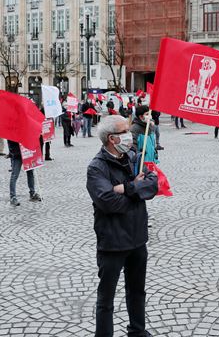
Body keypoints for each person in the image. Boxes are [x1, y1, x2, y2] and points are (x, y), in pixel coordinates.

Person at [86, 115, 159, 336]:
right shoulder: (96, 168)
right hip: (113, 242)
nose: (130, 136)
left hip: (137, 238)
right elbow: (108, 202)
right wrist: (135, 189)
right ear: (111, 139)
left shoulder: (133, 157)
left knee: (137, 291)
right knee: (106, 298)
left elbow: (153, 183)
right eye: (124, 132)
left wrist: (124, 188)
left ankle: (137, 332)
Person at [7, 140, 42, 206]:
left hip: (27, 152)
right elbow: (10, 142)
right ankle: (12, 197)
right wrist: (13, 152)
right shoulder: (13, 130)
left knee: (30, 173)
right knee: (14, 175)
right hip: (17, 154)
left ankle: (32, 193)